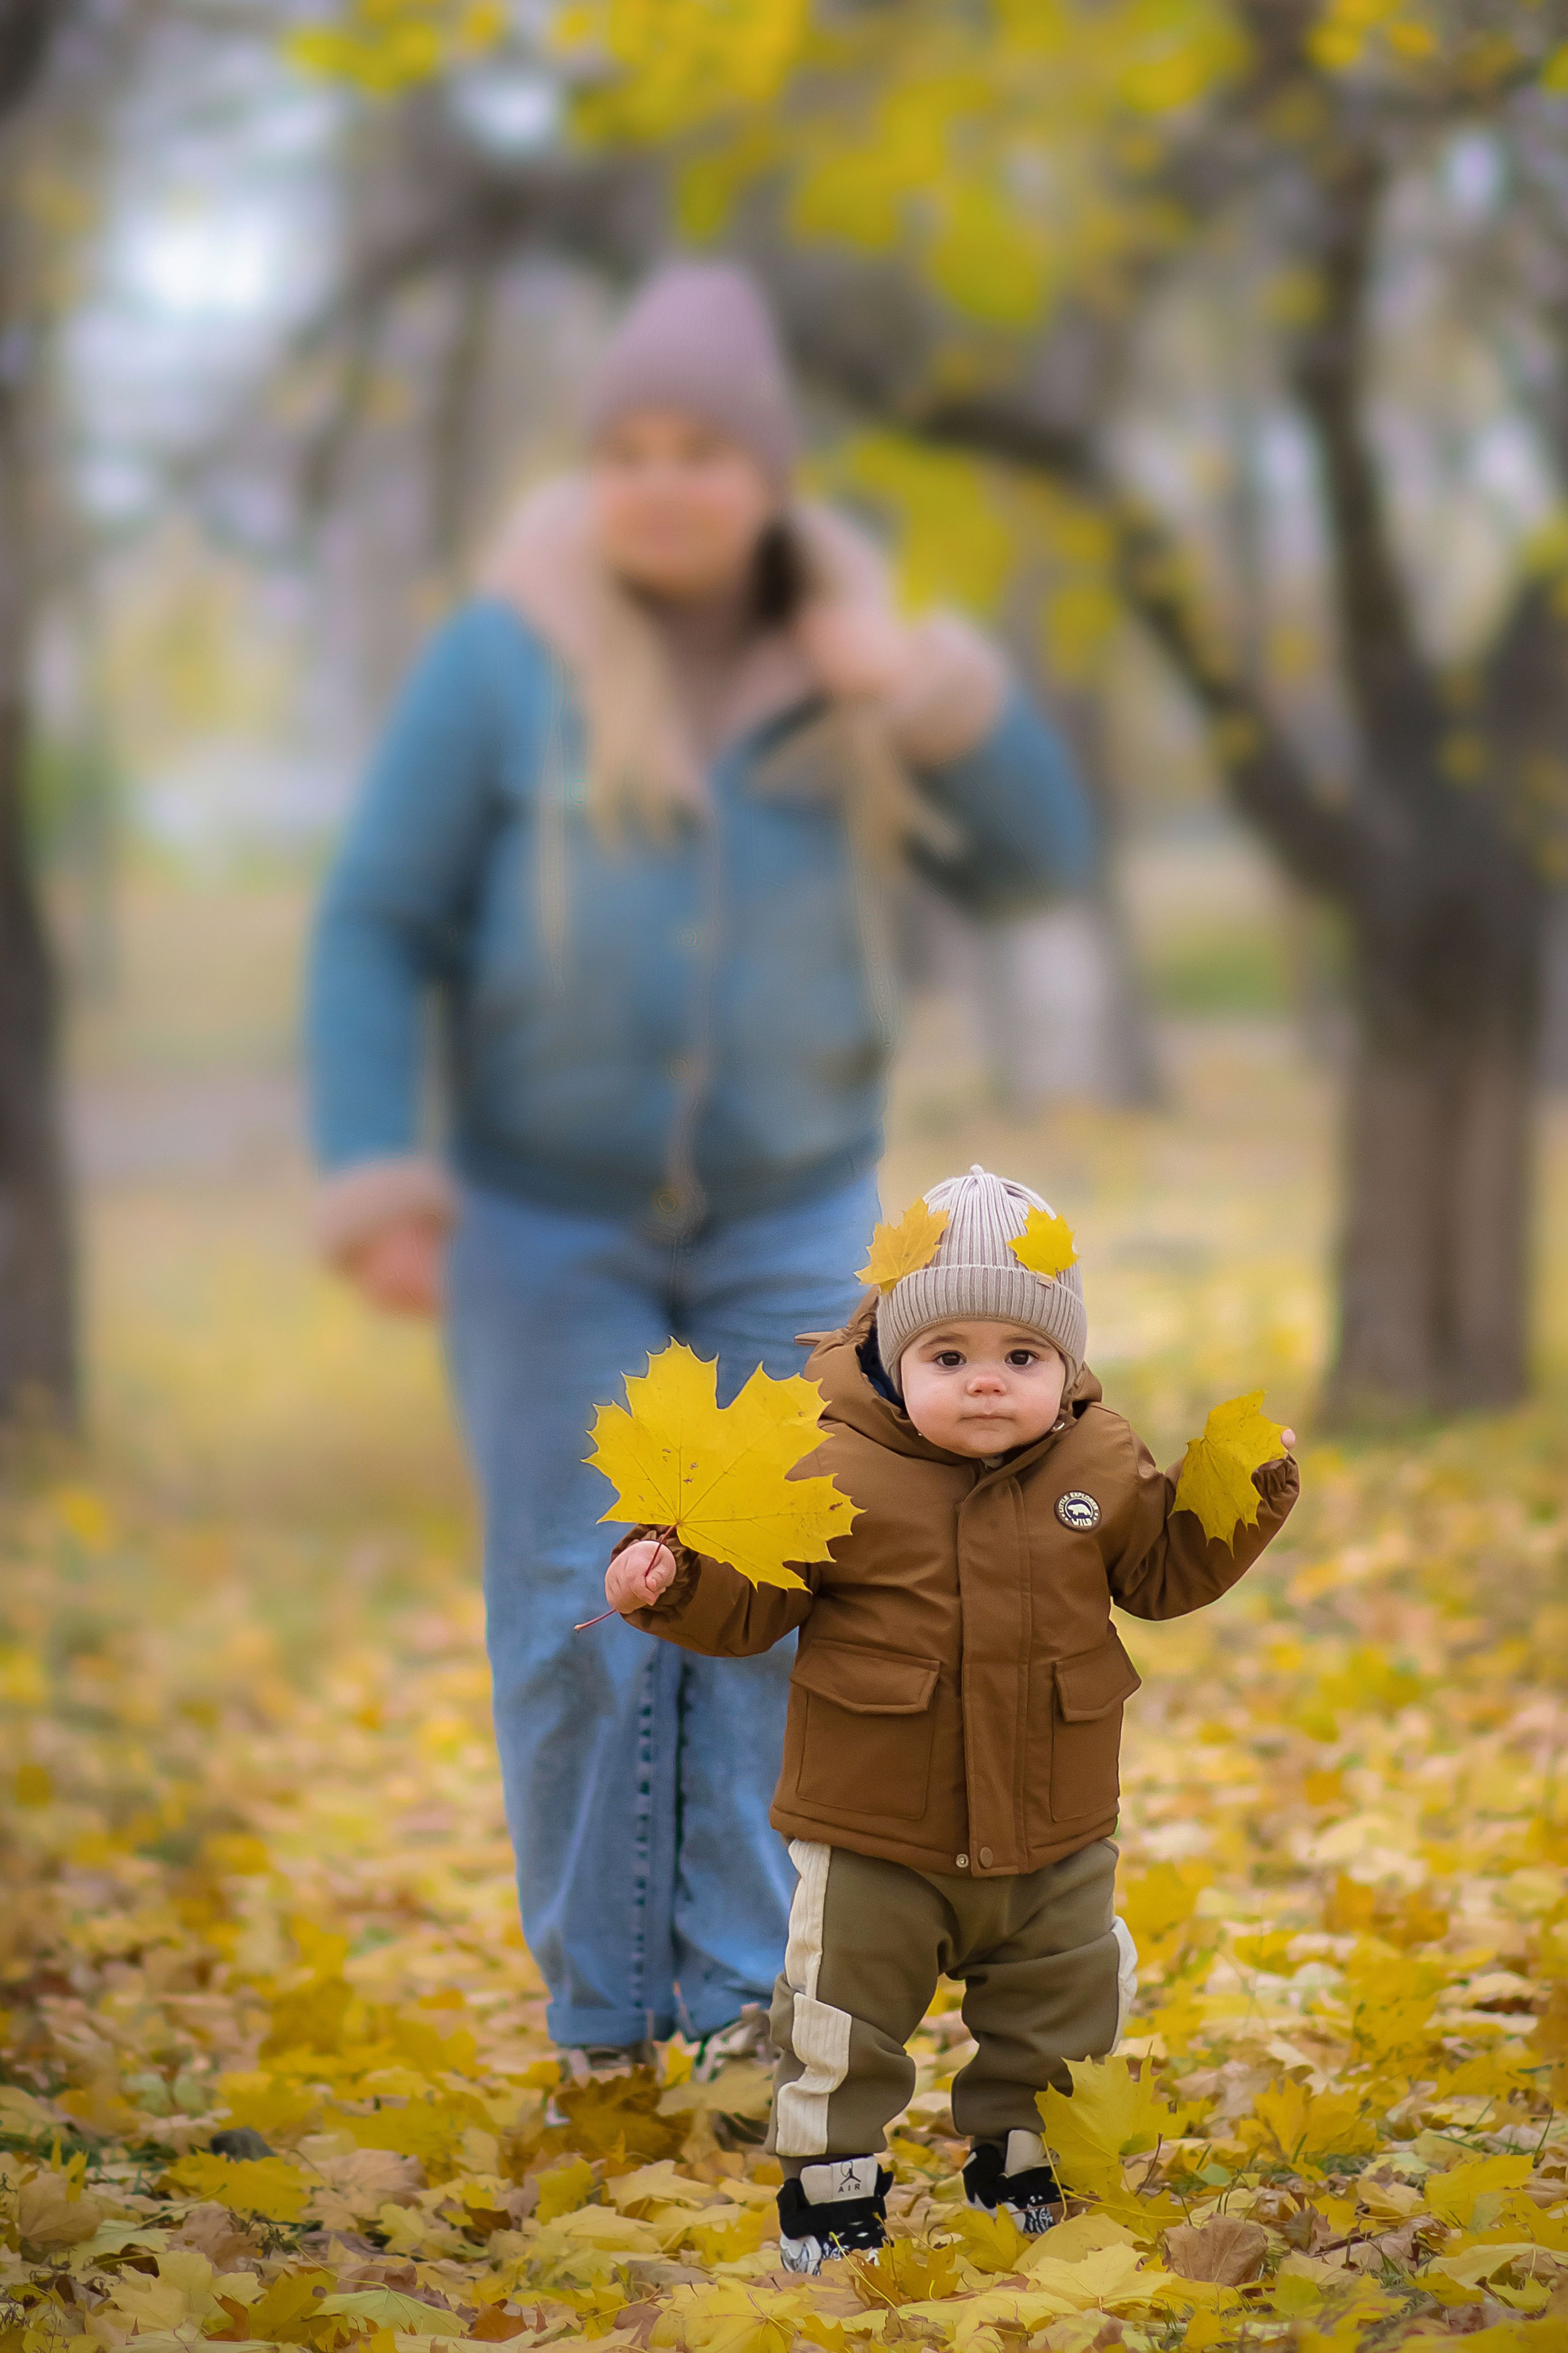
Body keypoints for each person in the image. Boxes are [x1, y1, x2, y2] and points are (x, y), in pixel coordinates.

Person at [307, 264, 1094, 2096]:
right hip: (542, 1212)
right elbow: (378, 919)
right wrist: (375, 1171)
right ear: (596, 470)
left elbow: (1031, 854)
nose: (662, 486)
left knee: (768, 1594)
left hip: (788, 1208)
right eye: (629, 452)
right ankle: (602, 2017)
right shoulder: (506, 657)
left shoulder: (844, 655)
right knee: (588, 1602)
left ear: (764, 473)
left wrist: (918, 689)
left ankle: (749, 1995)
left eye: (703, 453)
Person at [604, 1165, 1299, 2265]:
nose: (988, 1383)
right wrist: (675, 1582)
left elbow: (1161, 1574)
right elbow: (751, 1606)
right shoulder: (827, 1465)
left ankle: (1025, 2164)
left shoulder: (1102, 1457)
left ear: (1066, 1362)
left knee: (1060, 2012)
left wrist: (1240, 1502)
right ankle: (833, 2194)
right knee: (841, 2017)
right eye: (949, 1357)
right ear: (891, 1356)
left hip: (1055, 1824)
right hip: (877, 1825)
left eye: (1022, 1357)